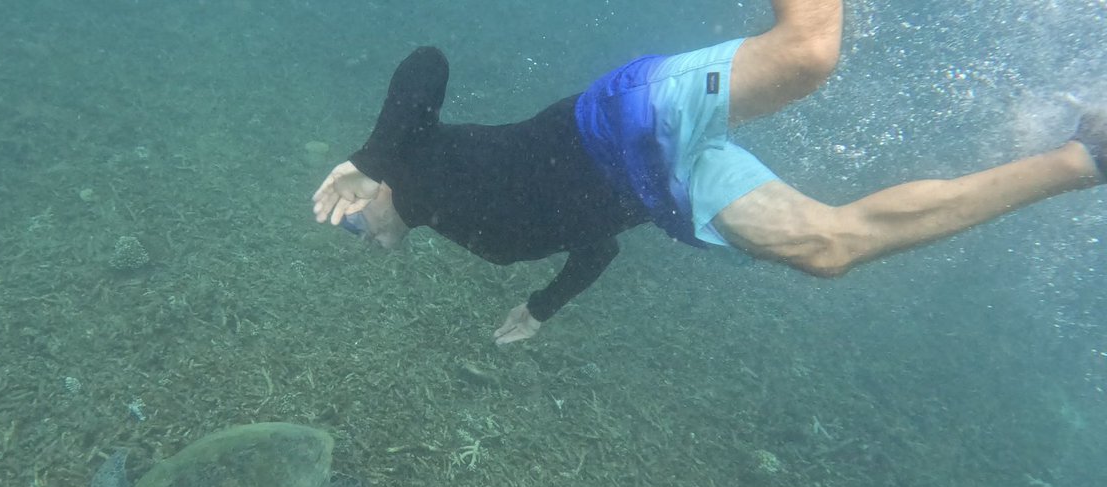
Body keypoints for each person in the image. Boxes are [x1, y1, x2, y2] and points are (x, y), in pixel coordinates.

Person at [312, 1, 1105, 345]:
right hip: (663, 190)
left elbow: (426, 63)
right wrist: (543, 306)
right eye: (353, 233)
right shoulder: (464, 237)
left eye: (348, 216)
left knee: (807, 55)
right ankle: (1084, 158)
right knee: (828, 248)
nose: (357, 227)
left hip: (622, 120)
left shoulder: (408, 154)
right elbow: (594, 245)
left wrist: (369, 157)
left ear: (372, 193)